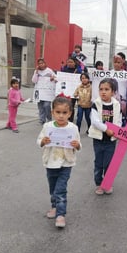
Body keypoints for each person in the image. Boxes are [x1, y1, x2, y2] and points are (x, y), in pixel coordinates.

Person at [36, 96, 82, 228]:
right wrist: (43, 141)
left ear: (70, 113)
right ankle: (54, 206)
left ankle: (61, 214)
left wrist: (76, 145)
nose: (61, 116)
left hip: (66, 163)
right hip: (50, 162)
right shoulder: (47, 126)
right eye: (58, 112)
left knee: (60, 189)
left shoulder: (73, 128)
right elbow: (39, 140)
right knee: (53, 188)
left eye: (64, 113)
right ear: (52, 112)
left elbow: (79, 145)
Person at [88, 78, 122, 195]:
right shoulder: (96, 104)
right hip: (98, 139)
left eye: (107, 89)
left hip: (111, 140)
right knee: (99, 163)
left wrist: (117, 130)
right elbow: (95, 121)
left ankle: (107, 184)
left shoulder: (117, 105)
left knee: (109, 163)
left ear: (113, 92)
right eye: (101, 89)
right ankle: (99, 183)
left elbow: (119, 121)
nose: (103, 92)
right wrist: (106, 129)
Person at [32, 58, 56, 125]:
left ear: (45, 63)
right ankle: (42, 120)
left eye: (42, 63)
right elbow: (34, 81)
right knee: (40, 107)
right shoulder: (36, 71)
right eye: (39, 63)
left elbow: (56, 78)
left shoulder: (49, 71)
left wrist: (53, 78)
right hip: (39, 92)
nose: (41, 65)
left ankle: (49, 118)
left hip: (47, 93)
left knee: (46, 105)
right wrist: (36, 72)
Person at [61, 57, 83, 123]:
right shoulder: (65, 69)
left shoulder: (78, 70)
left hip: (77, 91)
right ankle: (69, 120)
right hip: (68, 92)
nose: (69, 64)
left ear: (74, 63)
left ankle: (78, 119)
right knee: (70, 106)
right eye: (68, 62)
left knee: (79, 107)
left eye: (71, 62)